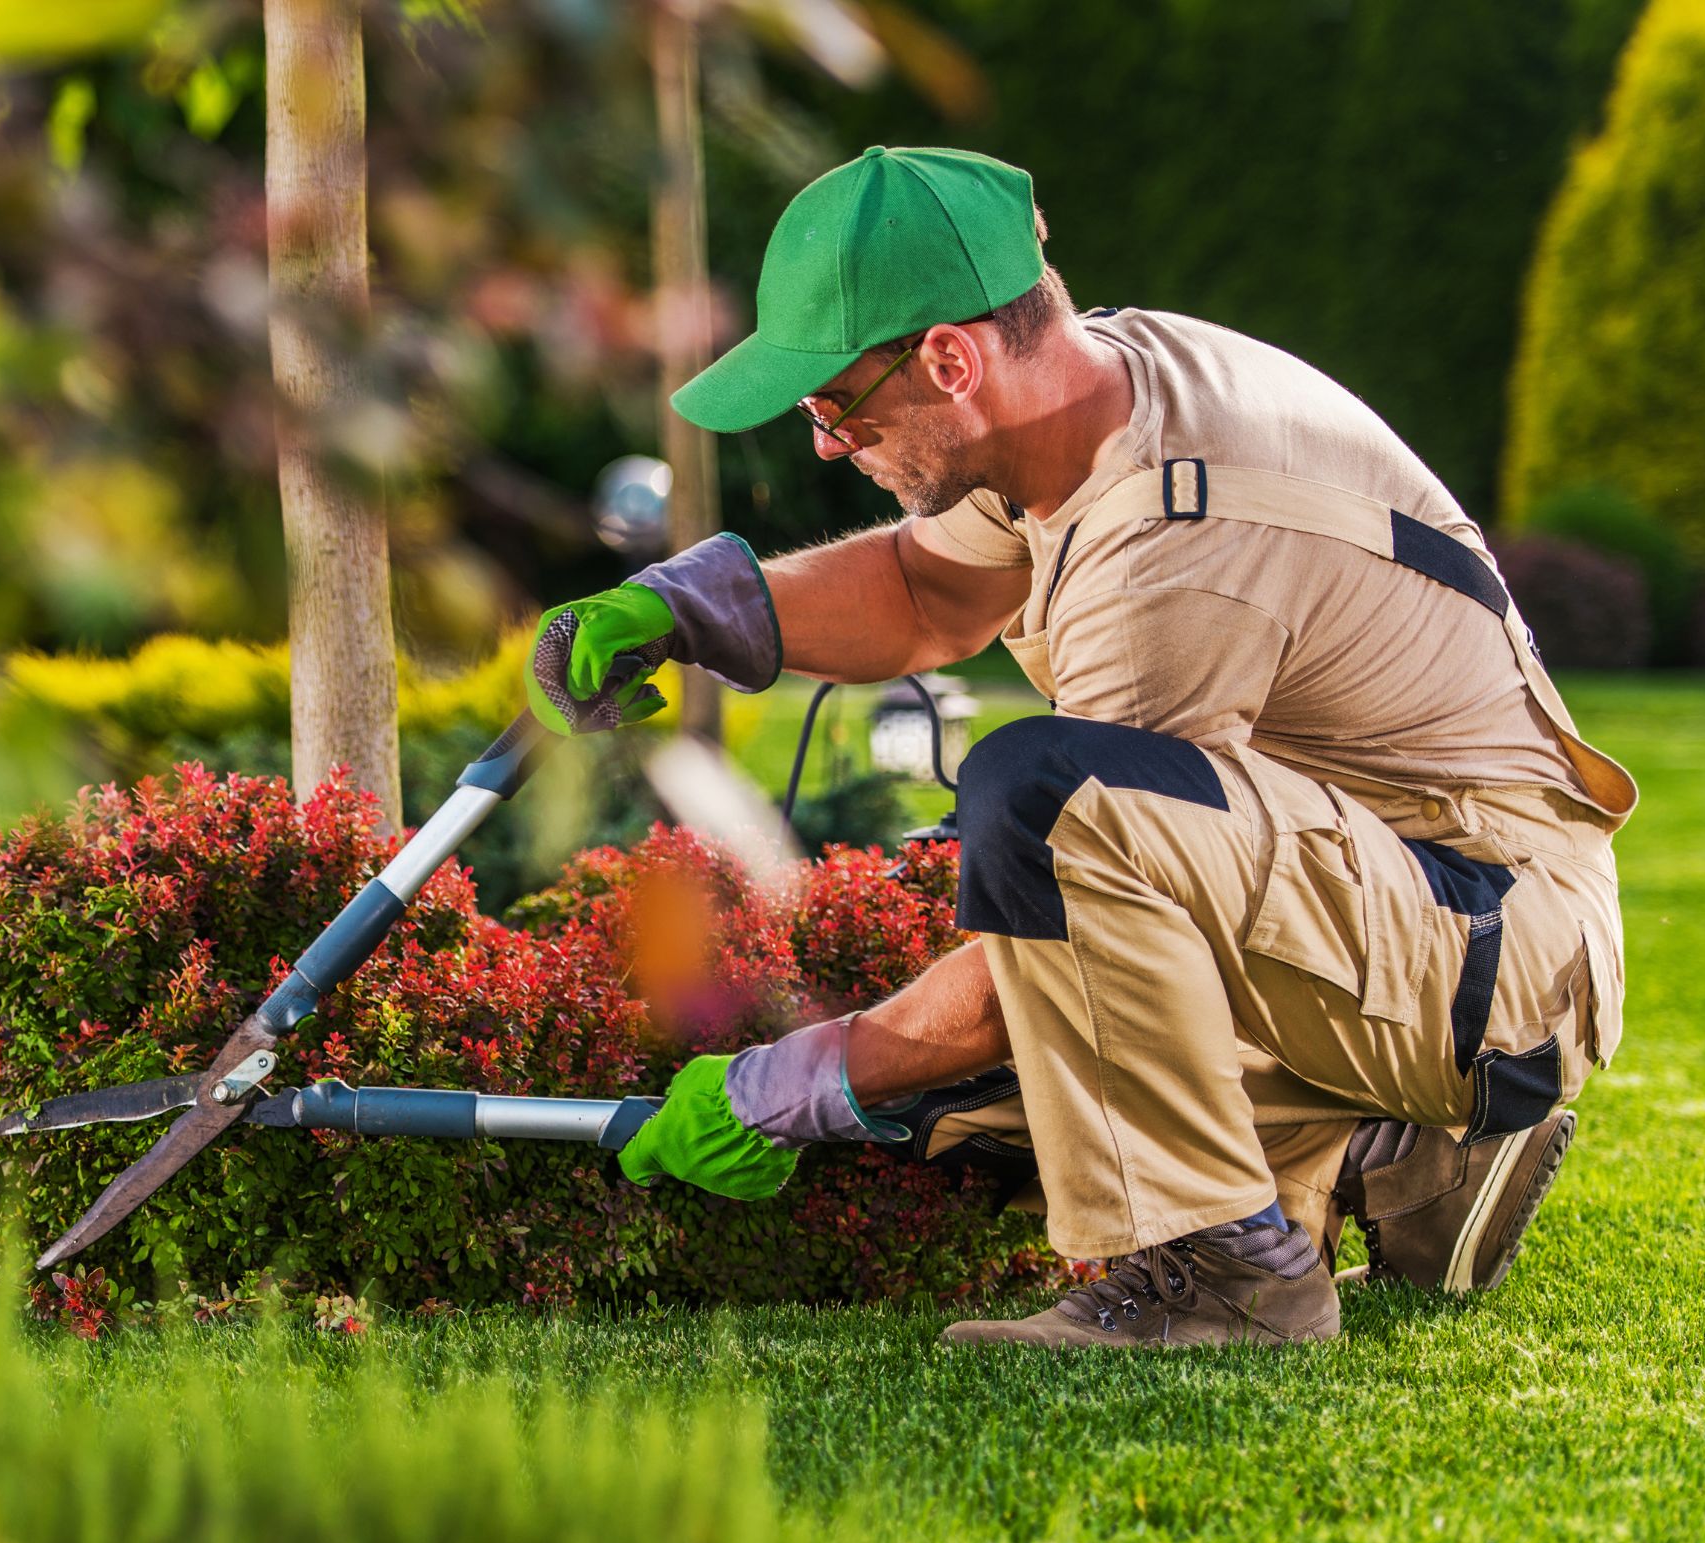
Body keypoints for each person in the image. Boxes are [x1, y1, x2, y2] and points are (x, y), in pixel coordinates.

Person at [522, 146, 1634, 1348]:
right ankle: (1401, 1157)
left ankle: (1233, 1274)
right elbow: (925, 590)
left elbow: (1045, 942)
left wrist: (786, 1087)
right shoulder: (1085, 393)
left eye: (835, 405)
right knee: (989, 1087)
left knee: (1035, 817)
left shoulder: (1174, 542)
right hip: (1406, 899)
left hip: (1493, 948)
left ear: (950, 357)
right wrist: (691, 610)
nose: (828, 447)